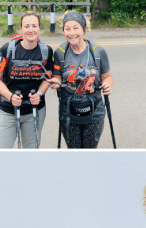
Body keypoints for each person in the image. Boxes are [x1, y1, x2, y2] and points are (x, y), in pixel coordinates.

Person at [47, 11, 113, 148]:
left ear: (84, 29)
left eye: (76, 28)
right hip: (68, 112)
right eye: (67, 29)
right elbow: (58, 77)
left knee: (90, 151)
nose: (72, 33)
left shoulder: (98, 51)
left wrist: (107, 85)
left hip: (95, 112)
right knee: (74, 152)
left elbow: (107, 77)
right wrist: (56, 83)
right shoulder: (60, 52)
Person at [0, 11, 53, 148]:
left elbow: (47, 78)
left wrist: (39, 94)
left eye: (34, 26)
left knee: (30, 154)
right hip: (7, 109)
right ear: (20, 28)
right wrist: (10, 96)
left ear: (39, 28)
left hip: (34, 111)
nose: (30, 30)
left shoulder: (46, 51)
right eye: (26, 26)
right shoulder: (6, 50)